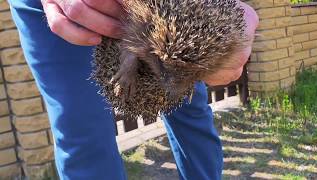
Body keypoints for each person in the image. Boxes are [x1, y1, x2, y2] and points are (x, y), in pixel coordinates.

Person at [8, 0, 258, 179]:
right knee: (81, 127)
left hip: (173, 15)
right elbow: (136, 38)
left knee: (190, 109)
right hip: (59, 7)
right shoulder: (145, 36)